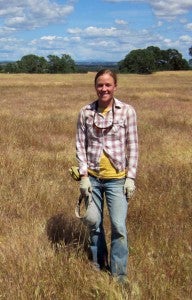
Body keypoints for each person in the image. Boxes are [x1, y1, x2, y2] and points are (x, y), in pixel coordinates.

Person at [76, 69, 138, 283]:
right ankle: (98, 265)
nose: (104, 89)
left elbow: (134, 146)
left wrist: (131, 177)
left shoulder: (127, 111)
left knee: (119, 227)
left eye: (108, 85)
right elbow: (79, 146)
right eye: (100, 85)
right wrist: (83, 176)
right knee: (93, 223)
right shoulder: (85, 112)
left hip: (117, 179)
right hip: (92, 178)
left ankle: (119, 275)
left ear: (115, 87)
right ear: (95, 87)